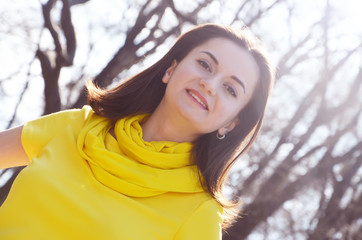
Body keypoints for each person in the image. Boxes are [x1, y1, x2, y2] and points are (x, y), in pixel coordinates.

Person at [0, 23, 274, 239]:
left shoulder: (198, 212)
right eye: (205, 64)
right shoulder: (79, 124)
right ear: (171, 69)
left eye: (230, 89)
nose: (210, 84)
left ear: (231, 123)